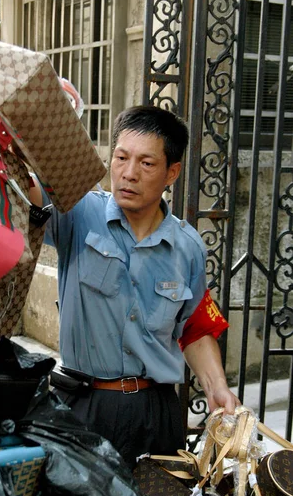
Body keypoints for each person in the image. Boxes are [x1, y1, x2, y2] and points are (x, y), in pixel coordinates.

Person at [29, 105, 239, 470]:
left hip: (154, 414)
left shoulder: (187, 247)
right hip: (83, 406)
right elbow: (26, 192)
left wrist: (216, 386)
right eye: (121, 157)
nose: (128, 174)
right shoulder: (77, 212)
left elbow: (194, 328)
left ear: (171, 172)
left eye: (146, 164)